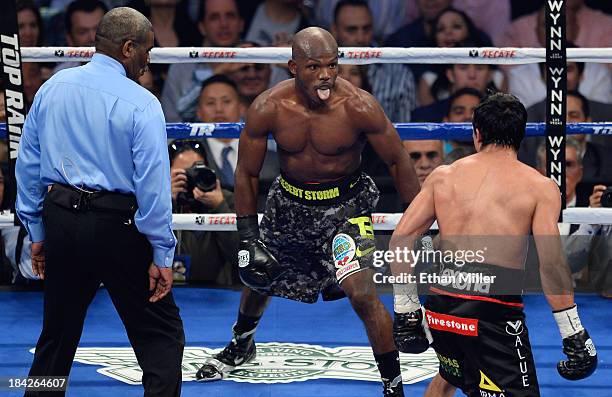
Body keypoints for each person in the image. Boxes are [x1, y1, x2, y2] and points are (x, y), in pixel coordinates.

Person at [196, 27, 421, 397]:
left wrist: (418, 228)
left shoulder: (359, 106)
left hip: (346, 208)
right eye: (314, 66)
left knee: (362, 293)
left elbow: (398, 161)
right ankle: (242, 343)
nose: (326, 75)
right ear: (293, 67)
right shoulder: (269, 107)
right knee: (258, 276)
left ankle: (392, 383)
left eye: (333, 65)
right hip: (289, 204)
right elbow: (247, 174)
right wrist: (249, 238)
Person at [15, 8, 185, 396]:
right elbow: (154, 189)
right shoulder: (142, 104)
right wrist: (162, 254)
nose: (148, 60)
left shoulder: (53, 87)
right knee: (160, 338)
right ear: (128, 48)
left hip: (61, 220)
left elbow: (28, 164)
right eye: (146, 50)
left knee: (56, 338)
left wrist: (37, 232)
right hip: (117, 226)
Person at [391, 93, 597, 396]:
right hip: (492, 313)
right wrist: (572, 331)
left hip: (441, 306)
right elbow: (551, 265)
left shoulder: (443, 177)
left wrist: (406, 310)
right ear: (520, 136)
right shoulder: (539, 187)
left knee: (451, 375)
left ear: (477, 134)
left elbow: (400, 240)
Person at [331, 0, 417, 123]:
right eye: (351, 30)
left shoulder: (400, 75)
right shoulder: (319, 71)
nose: (360, 38)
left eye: (366, 29)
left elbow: (406, 132)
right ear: (334, 29)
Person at [160, 0, 243, 122]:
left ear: (241, 24)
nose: (224, 24)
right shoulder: (180, 69)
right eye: (214, 17)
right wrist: (220, 70)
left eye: (230, 16)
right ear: (202, 27)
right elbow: (172, 121)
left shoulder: (258, 65)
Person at [169, 140, 239, 285]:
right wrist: (167, 203)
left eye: (197, 170)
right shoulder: (156, 203)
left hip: (219, 293)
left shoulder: (226, 199)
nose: (192, 178)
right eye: (184, 174)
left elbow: (240, 256)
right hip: (171, 290)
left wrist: (219, 208)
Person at [53, 0, 108, 74]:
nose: (92, 38)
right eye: (82, 32)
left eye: (99, 29)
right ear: (69, 39)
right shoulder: (61, 76)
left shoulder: (128, 71)